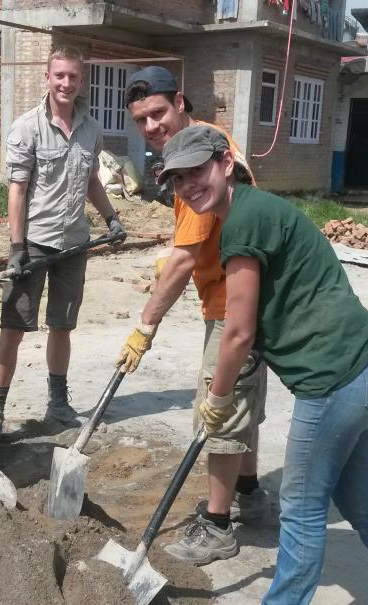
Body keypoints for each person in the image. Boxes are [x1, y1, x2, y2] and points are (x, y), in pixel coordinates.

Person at [158, 124, 368, 604]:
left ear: (225, 162)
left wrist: (217, 398)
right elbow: (261, 316)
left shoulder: (242, 220)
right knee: (361, 501)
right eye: (177, 179)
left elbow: (237, 332)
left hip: (335, 380)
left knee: (300, 507)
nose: (187, 185)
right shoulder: (253, 211)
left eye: (196, 170)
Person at [114, 66, 269, 566]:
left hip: (233, 304)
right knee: (241, 405)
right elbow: (192, 241)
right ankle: (249, 492)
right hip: (232, 292)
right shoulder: (207, 145)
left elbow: (183, 258)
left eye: (158, 113)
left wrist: (144, 326)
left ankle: (218, 526)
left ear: (180, 102)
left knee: (219, 407)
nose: (152, 126)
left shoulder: (204, 156)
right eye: (140, 120)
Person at [0, 46, 126, 456]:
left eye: (73, 77)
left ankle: (58, 403)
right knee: (13, 328)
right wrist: (17, 246)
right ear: (48, 76)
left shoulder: (91, 129)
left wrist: (110, 218)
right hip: (35, 244)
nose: (66, 83)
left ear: (81, 82)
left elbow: (92, 181)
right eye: (59, 75)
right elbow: (17, 191)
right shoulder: (26, 128)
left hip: (74, 243)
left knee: (63, 325)